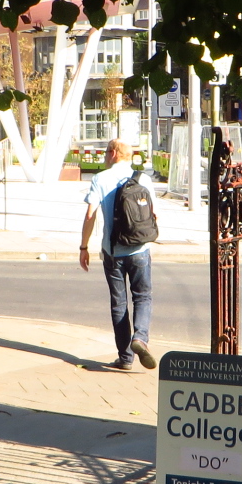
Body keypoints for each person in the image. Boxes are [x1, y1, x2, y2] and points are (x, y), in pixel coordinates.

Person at [79, 139, 157, 371]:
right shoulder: (143, 178)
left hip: (113, 251)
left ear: (113, 153)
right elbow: (154, 214)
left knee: (119, 303)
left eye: (106, 152)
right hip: (140, 249)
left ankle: (125, 358)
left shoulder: (100, 179)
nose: (105, 156)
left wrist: (84, 247)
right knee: (143, 296)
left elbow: (90, 214)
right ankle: (140, 338)